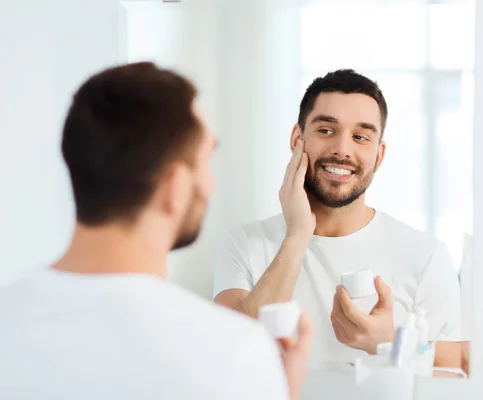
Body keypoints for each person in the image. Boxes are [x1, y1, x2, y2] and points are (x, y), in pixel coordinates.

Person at [0, 62, 312, 400]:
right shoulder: (231, 351)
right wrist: (280, 390)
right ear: (175, 188)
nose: (210, 183)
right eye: (206, 160)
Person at [213, 69, 462, 367]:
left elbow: (453, 374)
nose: (343, 150)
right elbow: (228, 354)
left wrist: (388, 344)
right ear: (297, 139)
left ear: (379, 156)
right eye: (326, 131)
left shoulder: (427, 256)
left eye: (360, 137)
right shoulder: (242, 244)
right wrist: (298, 234)